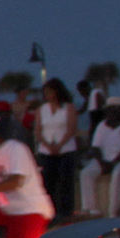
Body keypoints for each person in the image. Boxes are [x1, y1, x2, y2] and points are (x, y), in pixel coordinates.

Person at [31, 80, 82, 220]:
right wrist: (48, 145)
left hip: (65, 150)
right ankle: (50, 213)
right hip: (47, 151)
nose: (47, 95)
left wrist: (59, 145)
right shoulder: (42, 109)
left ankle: (66, 213)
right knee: (48, 182)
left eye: (50, 92)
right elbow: (38, 131)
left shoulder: (68, 108)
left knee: (66, 183)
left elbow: (71, 128)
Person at [87, 100, 120, 216]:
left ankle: (113, 212)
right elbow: (95, 147)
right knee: (86, 173)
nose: (110, 113)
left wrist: (114, 162)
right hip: (104, 160)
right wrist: (102, 163)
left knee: (117, 175)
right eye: (108, 110)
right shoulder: (102, 125)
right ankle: (91, 210)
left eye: (113, 110)